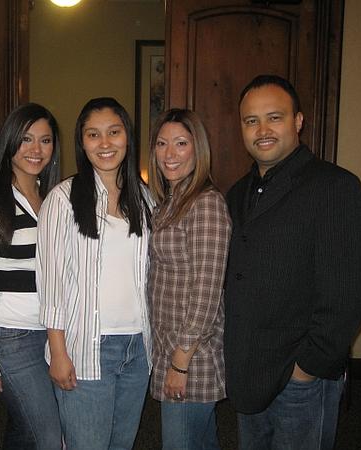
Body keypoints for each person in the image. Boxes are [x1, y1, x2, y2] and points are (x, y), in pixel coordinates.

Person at [223, 74, 361, 449]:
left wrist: (307, 368)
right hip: (249, 368)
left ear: (298, 121)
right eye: (251, 120)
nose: (262, 130)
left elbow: (349, 292)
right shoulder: (237, 193)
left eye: (274, 117)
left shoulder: (334, 186)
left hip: (300, 375)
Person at [36, 97, 152, 449]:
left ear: (127, 137)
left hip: (138, 347)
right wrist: (58, 352)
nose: (105, 143)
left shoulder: (145, 198)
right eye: (93, 134)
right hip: (86, 347)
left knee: (122, 443)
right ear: (82, 142)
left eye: (114, 132)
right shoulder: (62, 199)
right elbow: (51, 283)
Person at [0, 103, 62, 448]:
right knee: (48, 437)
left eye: (45, 140)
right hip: (13, 337)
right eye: (27, 139)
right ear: (9, 141)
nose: (36, 149)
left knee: (26, 429)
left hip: (53, 335)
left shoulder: (54, 200)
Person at [147, 109, 231, 450]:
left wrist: (179, 364)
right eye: (162, 143)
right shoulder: (170, 202)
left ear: (199, 150)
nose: (170, 153)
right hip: (170, 347)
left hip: (191, 357)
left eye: (181, 143)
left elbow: (206, 292)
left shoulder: (205, 204)